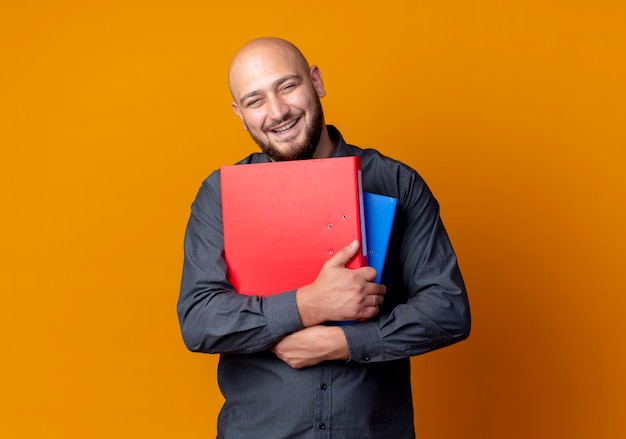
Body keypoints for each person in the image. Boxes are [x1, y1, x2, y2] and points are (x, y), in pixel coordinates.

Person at [177, 37, 471, 439]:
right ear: (239, 114)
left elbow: (448, 310)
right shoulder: (219, 195)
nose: (277, 112)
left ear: (315, 81)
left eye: (287, 86)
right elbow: (198, 320)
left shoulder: (398, 183)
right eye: (255, 100)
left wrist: (346, 342)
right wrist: (307, 304)